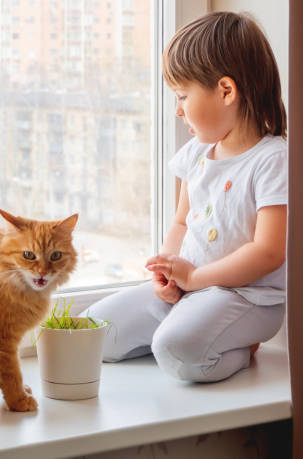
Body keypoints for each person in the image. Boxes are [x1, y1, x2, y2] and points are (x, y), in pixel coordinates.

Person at [80, 11, 287, 382]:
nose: (177, 111)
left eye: (182, 95)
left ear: (226, 90)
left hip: (245, 299)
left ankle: (241, 348)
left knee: (177, 353)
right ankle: (183, 330)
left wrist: (196, 276)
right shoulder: (197, 152)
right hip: (190, 289)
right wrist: (170, 269)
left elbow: (269, 252)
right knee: (95, 332)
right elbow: (180, 222)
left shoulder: (272, 159)